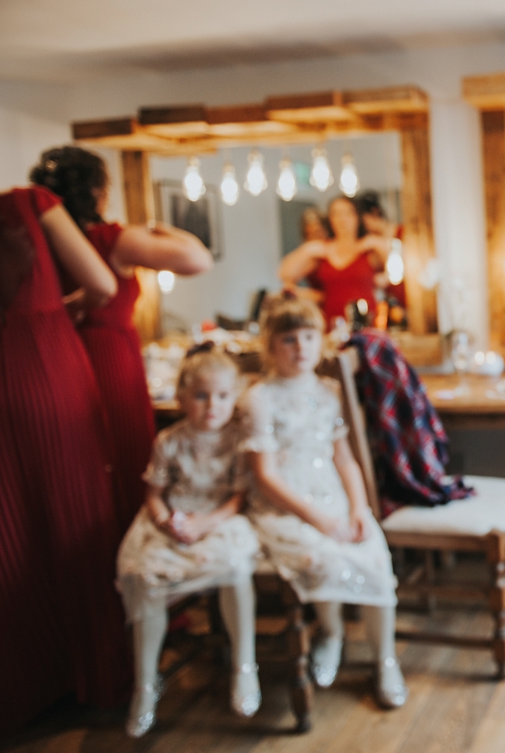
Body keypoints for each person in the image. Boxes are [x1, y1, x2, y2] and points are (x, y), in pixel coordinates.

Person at [0, 123, 130, 731]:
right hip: (50, 370)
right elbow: (103, 285)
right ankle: (100, 677)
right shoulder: (33, 204)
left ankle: (20, 692)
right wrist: (54, 313)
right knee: (75, 512)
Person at [30, 146, 213, 534]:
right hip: (110, 359)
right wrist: (156, 226)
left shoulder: (37, 239)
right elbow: (197, 259)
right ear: (99, 191)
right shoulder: (113, 239)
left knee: (77, 462)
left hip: (54, 360)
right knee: (126, 453)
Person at [239, 295, 407, 708]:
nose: (301, 347)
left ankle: (384, 658)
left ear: (321, 342)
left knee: (372, 553)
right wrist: (319, 520)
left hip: (332, 494)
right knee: (324, 557)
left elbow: (345, 458)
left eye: (309, 337)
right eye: (289, 339)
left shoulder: (329, 391)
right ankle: (330, 634)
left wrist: (356, 508)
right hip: (286, 505)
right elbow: (264, 475)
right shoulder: (258, 398)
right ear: (271, 346)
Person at [116, 345, 261, 737]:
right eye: (200, 395)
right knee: (145, 575)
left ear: (236, 397)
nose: (211, 406)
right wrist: (169, 522)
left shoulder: (238, 440)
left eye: (222, 396)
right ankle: (146, 685)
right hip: (174, 516)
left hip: (219, 516)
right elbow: (153, 495)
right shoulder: (169, 441)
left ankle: (244, 666)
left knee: (234, 565)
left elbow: (238, 497)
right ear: (181, 397)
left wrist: (206, 523)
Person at [278, 195, 383, 324]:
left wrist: (376, 242)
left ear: (357, 217)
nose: (342, 219)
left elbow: (399, 269)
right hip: (331, 324)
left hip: (368, 323)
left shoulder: (370, 250)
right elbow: (285, 273)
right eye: (336, 214)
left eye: (347, 213)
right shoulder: (321, 252)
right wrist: (309, 248)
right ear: (330, 219)